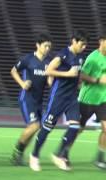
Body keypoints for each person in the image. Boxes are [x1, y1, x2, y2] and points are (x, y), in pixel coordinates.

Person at [29, 30, 89, 171]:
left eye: (86, 45)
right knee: (47, 128)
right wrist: (67, 74)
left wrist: (79, 81)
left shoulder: (81, 57)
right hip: (58, 97)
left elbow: (78, 74)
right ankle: (34, 155)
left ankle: (58, 155)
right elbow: (48, 71)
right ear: (73, 41)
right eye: (82, 44)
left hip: (72, 97)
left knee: (75, 127)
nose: (84, 47)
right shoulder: (63, 54)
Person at [10, 33, 53, 165]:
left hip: (39, 100)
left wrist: (51, 80)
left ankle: (18, 155)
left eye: (49, 47)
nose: (47, 49)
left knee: (34, 127)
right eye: (45, 46)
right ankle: (17, 150)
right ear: (38, 45)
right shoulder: (28, 59)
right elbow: (13, 70)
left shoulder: (48, 62)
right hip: (27, 98)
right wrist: (22, 84)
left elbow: (50, 80)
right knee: (34, 126)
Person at [77, 32, 106, 169]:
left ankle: (100, 158)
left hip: (103, 99)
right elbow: (82, 75)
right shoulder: (92, 57)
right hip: (87, 99)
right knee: (78, 128)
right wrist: (98, 80)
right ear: (101, 41)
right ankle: (64, 151)